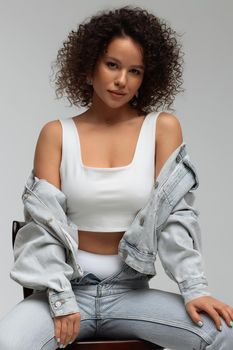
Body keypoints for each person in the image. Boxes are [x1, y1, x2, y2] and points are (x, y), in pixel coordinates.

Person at [0, 5, 233, 350]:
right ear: (89, 65)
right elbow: (43, 227)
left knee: (224, 333)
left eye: (134, 71)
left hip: (130, 293)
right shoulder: (56, 134)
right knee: (8, 343)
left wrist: (194, 289)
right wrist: (62, 300)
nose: (122, 80)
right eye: (112, 65)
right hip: (65, 291)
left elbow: (175, 218)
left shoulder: (161, 128)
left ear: (146, 78)